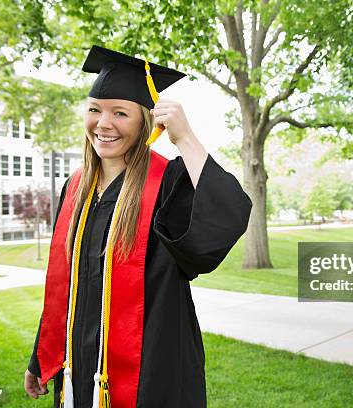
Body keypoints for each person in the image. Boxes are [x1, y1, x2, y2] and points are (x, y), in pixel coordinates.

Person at [23, 45, 252, 408]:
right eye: (95, 110)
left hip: (151, 368)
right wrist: (43, 354)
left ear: (146, 121)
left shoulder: (169, 182)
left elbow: (228, 216)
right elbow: (65, 283)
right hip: (78, 367)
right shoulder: (74, 188)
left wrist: (185, 138)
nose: (103, 123)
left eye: (120, 113)